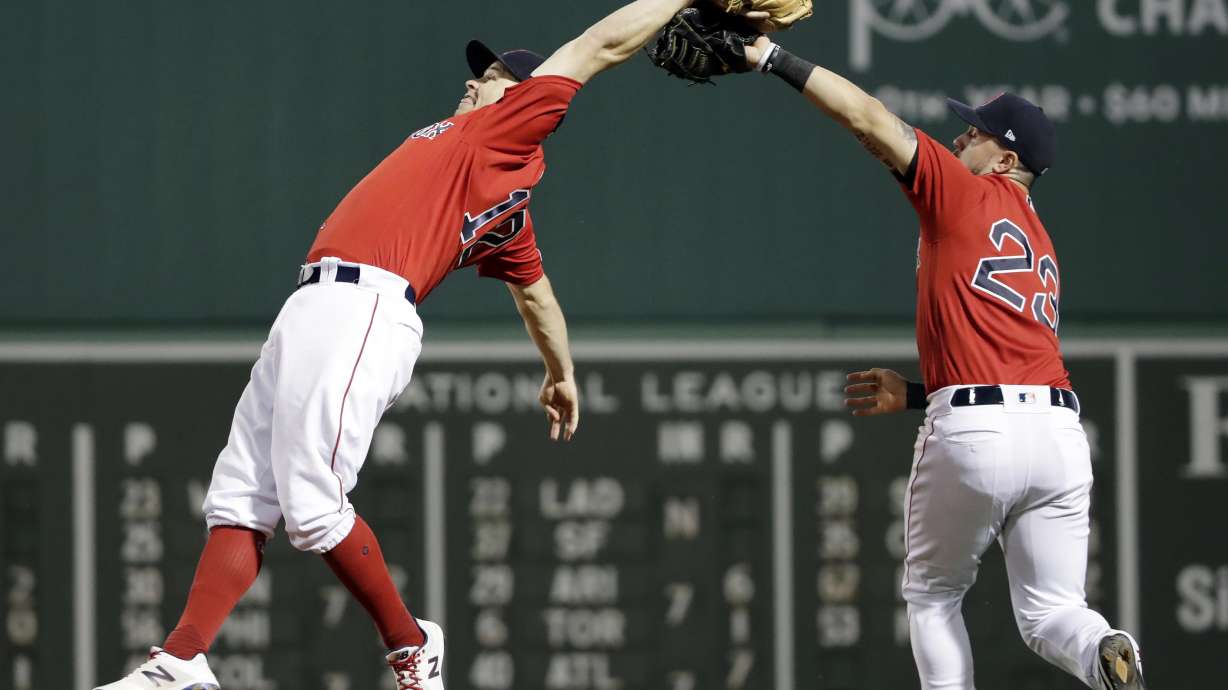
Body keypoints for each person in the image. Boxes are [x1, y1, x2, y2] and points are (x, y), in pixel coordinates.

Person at [93, 2, 719, 689]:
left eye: (496, 73)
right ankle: (181, 661)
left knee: (312, 502)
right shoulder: (498, 189)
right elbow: (535, 294)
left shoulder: (507, 131)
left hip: (362, 307)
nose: (479, 77)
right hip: (315, 306)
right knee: (239, 497)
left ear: (528, 99)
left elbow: (600, 44)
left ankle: (413, 645)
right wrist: (560, 371)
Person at [735, 35, 1147, 690]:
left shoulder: (964, 194)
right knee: (1055, 614)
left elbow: (869, 119)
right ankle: (1104, 648)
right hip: (1060, 435)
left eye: (976, 133)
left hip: (978, 431)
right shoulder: (1040, 242)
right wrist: (922, 391)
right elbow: (1006, 361)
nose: (961, 140)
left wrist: (769, 58)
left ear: (1005, 157)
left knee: (932, 594)